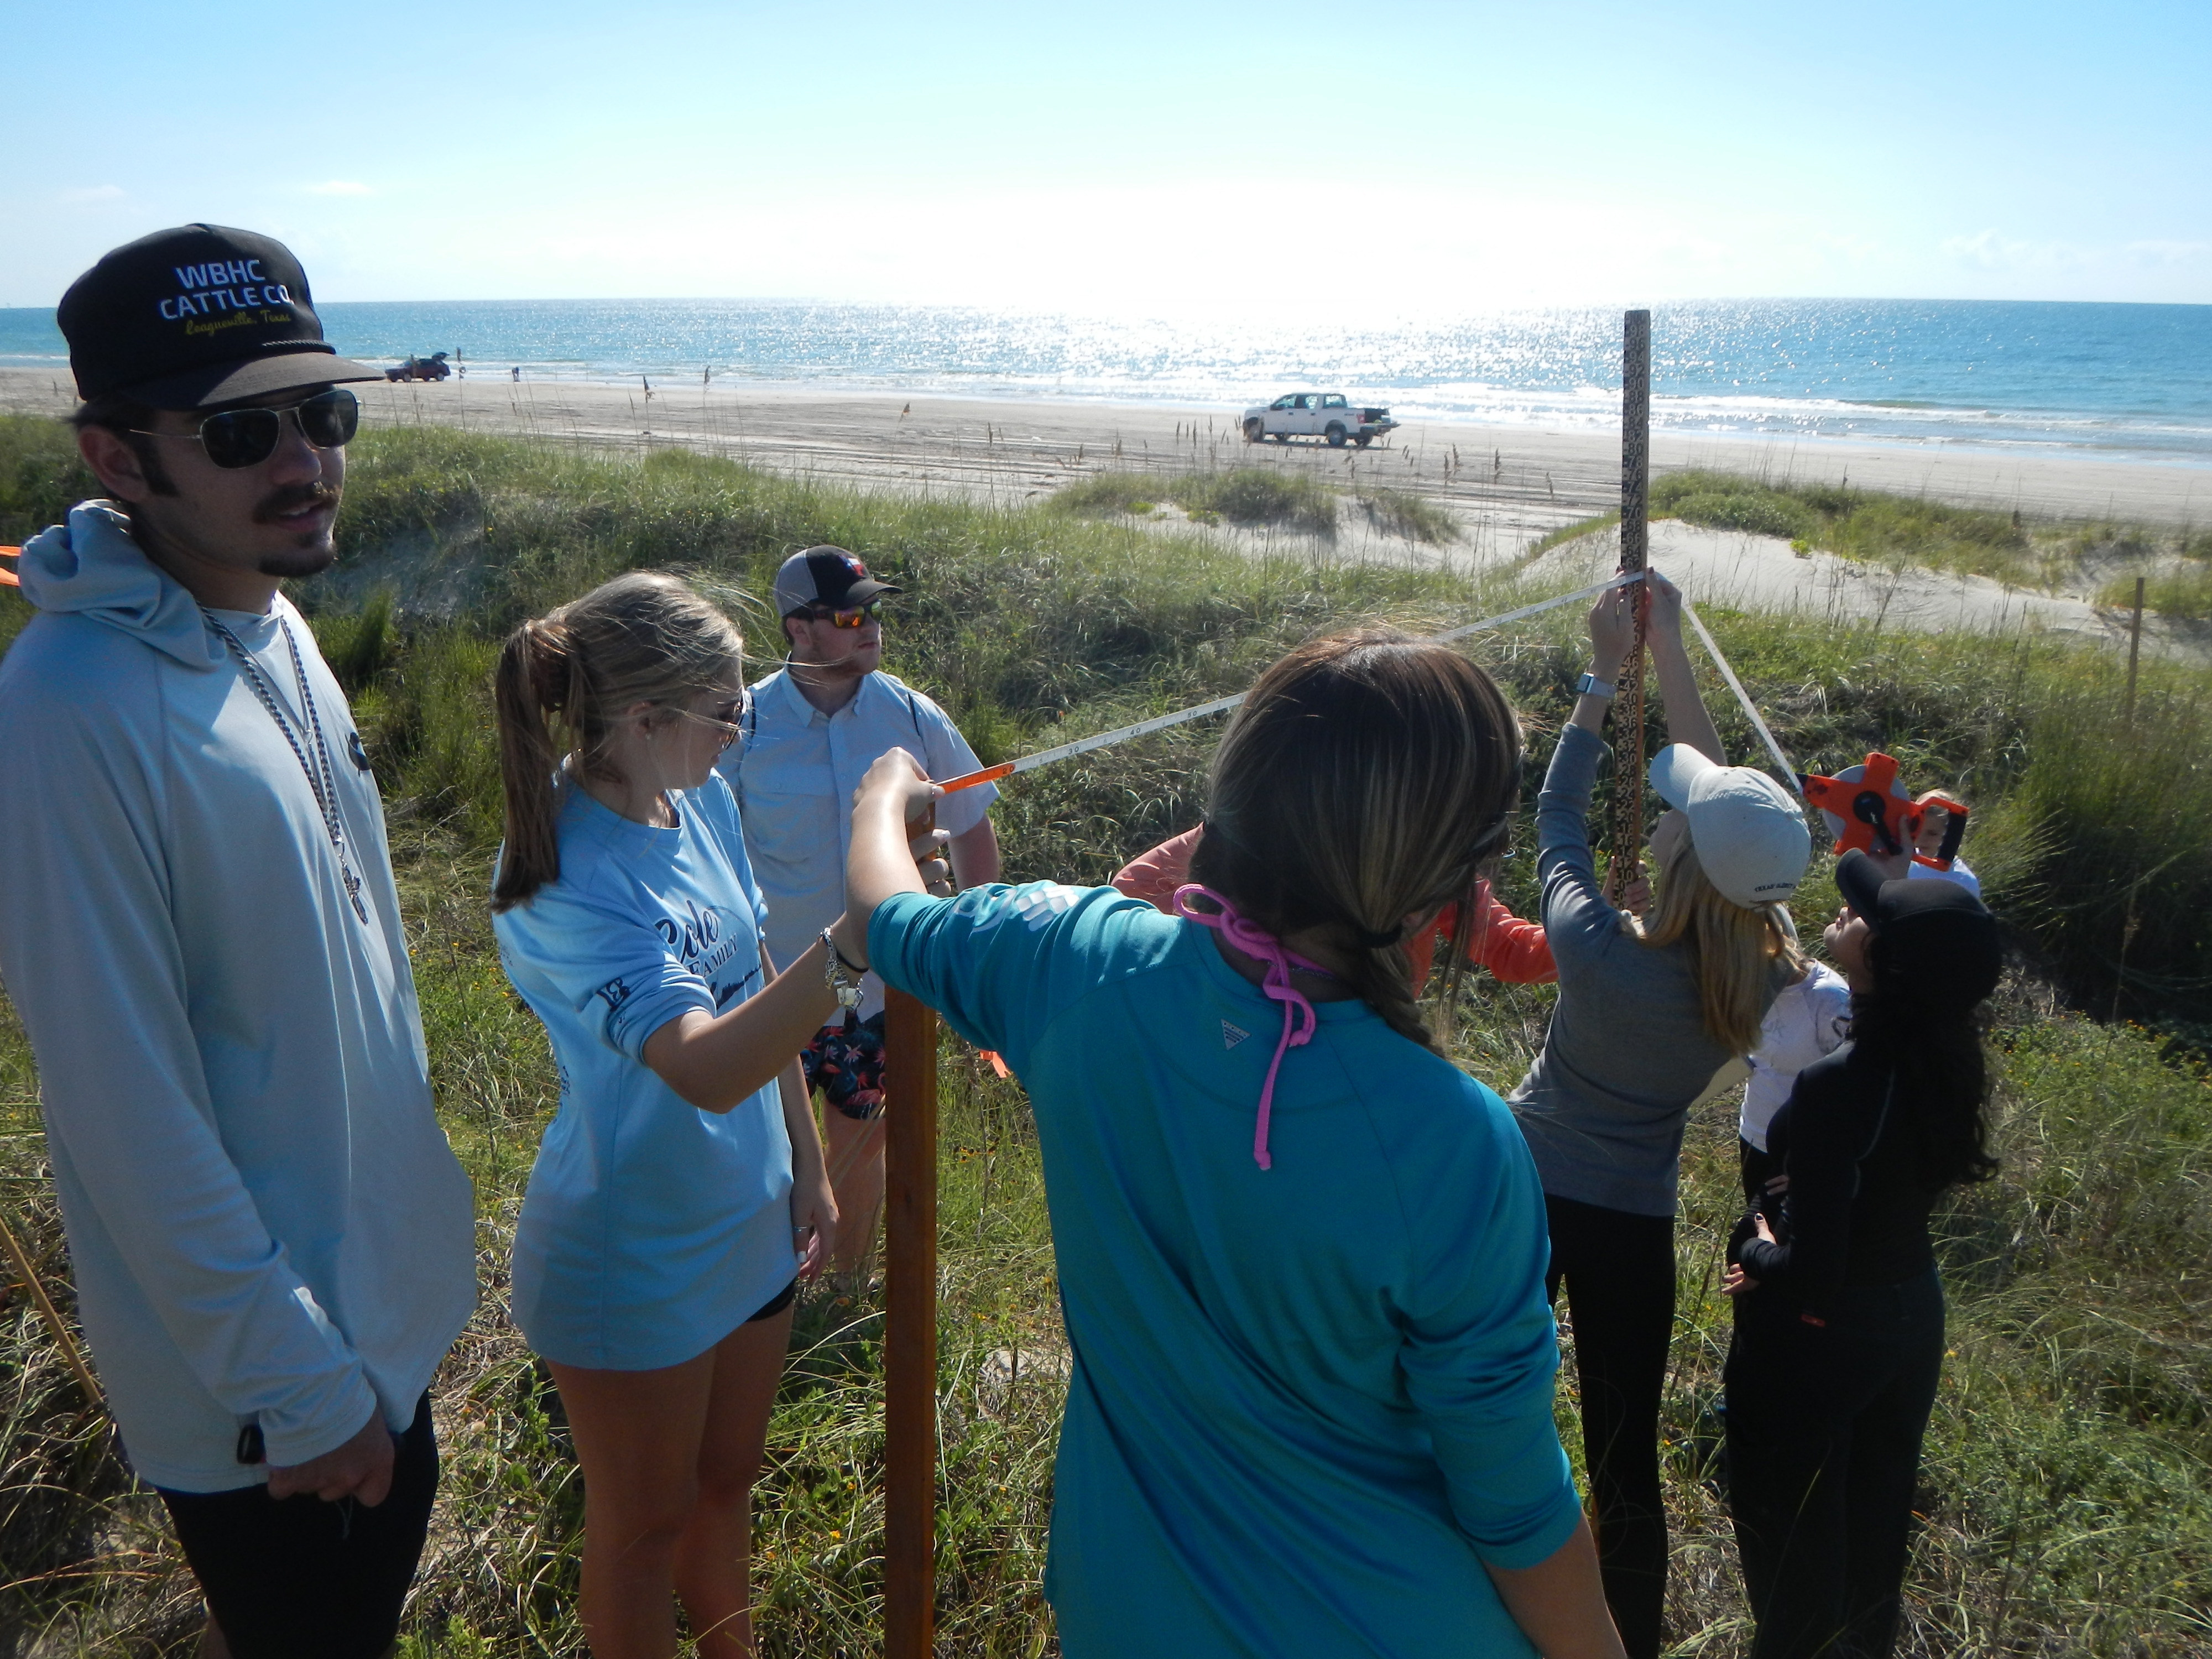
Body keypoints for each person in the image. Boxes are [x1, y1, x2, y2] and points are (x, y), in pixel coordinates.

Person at [848, 629, 1626, 1658]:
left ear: (1232, 795)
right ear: (1445, 882)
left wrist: (883, 797)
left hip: (1125, 1614)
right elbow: (1516, 1512)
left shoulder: (1071, 963)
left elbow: (886, 912)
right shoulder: (1453, 1141)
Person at [0, 225, 478, 1659]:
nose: (306, 461)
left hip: (370, 1325)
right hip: (270, 1406)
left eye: (322, 413)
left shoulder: (273, 622)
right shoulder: (69, 708)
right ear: (117, 459)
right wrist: (298, 1385)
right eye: (239, 430)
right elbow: (119, 1101)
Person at [489, 571, 880, 1659]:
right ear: (643, 720)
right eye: (725, 710)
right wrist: (854, 944)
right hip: (637, 1251)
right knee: (642, 1528)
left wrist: (806, 1165)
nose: (740, 729)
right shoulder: (565, 878)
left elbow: (749, 974)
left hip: (748, 1216)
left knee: (725, 1484)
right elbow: (703, 1067)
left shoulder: (693, 795)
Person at [1506, 571, 1811, 1659]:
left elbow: (1555, 816)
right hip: (1631, 1229)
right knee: (1624, 1458)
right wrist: (1670, 651)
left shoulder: (1593, 948)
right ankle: (1627, 1637)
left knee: (1478, 1413)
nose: (1672, 818)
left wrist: (1603, 674)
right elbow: (1736, 833)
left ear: (1676, 851)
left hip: (1519, 1198)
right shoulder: (1768, 974)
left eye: (1678, 819)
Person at [1721, 852, 2002, 1658]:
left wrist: (1756, 1249)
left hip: (1823, 1338)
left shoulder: (1839, 1085)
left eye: (1867, 913)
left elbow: (1814, 1273)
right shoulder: (1944, 1058)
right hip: (1910, 1315)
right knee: (1873, 1538)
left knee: (1792, 1555)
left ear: (1879, 959)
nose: (1848, 908)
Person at [717, 546, 999, 1284]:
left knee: (861, 1146)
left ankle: (844, 1291)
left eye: (873, 610)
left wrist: (974, 947)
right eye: (849, 615)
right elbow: (703, 841)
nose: (870, 625)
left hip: (879, 994)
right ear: (798, 628)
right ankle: (764, 1292)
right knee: (764, 1151)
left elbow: (971, 826)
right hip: (774, 990)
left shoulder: (911, 714)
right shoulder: (744, 724)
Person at [1113, 824, 1557, 985]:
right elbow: (1135, 889)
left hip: (1369, 1052)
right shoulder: (1261, 830)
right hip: (1254, 1042)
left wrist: (1595, 927)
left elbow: (1515, 952)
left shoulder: (1436, 868)